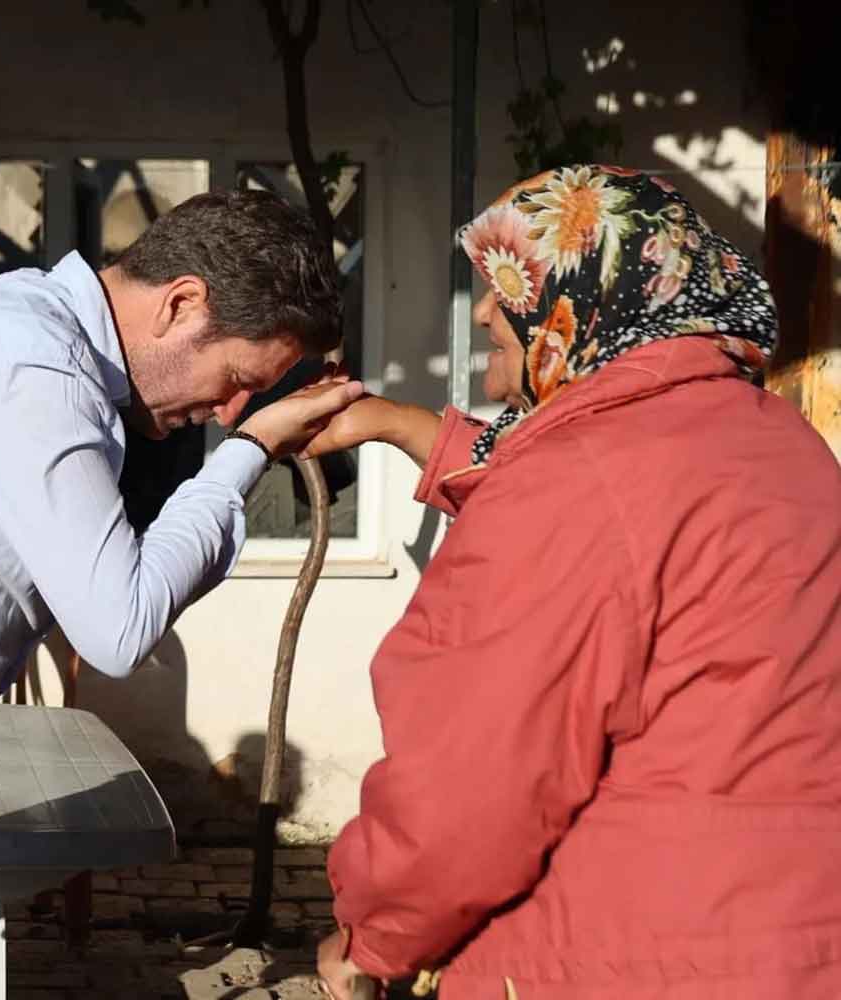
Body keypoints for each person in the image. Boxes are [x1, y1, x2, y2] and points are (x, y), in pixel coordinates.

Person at [313, 165, 841, 999]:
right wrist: (408, 428)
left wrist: (373, 934)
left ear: (581, 299)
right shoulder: (784, 445)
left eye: (506, 285)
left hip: (635, 955)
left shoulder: (574, 481)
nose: (485, 310)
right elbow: (631, 542)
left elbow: (469, 794)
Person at [0, 188, 363, 999]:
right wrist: (249, 450)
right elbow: (119, 627)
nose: (222, 412)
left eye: (243, 401)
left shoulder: (28, 336)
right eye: (233, 379)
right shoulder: (35, 365)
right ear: (181, 303)